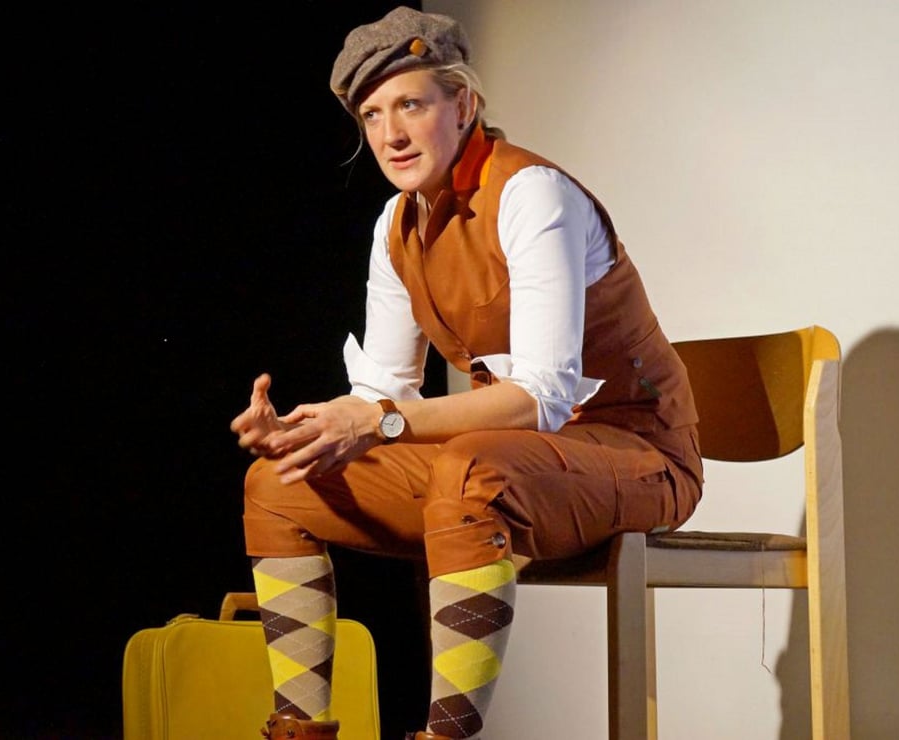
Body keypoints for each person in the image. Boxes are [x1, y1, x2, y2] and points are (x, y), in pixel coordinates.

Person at [230, 6, 703, 739]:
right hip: (519, 463)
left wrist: (378, 421)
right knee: (280, 484)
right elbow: (384, 393)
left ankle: (447, 736)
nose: (391, 134)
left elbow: (542, 398)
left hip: (639, 458)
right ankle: (301, 730)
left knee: (469, 470)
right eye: (372, 115)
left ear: (463, 104)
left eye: (411, 105)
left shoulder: (531, 193)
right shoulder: (396, 228)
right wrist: (310, 432)